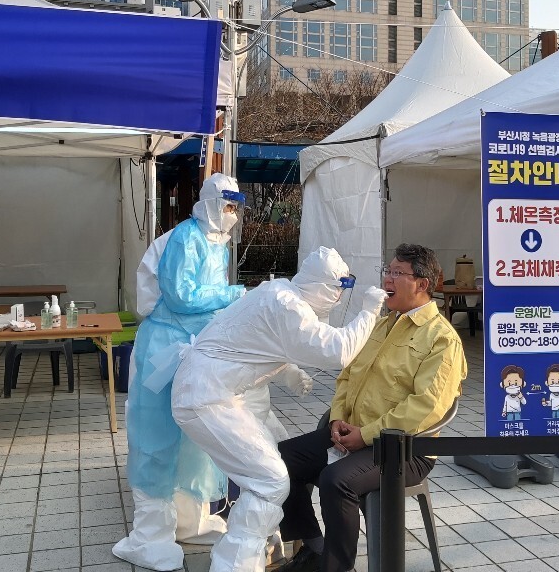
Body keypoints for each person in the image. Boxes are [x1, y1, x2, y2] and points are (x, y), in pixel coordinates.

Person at [172, 247, 389, 572]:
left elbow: (257, 341)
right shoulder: (289, 306)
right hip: (205, 397)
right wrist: (369, 311)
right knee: (271, 479)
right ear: (324, 287)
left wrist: (290, 373)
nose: (340, 299)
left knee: (268, 467)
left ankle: (245, 554)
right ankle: (235, 564)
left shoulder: (278, 292)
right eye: (339, 290)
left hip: (210, 391)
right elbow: (338, 350)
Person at [275, 243, 468, 572]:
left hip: (404, 449)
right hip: (350, 433)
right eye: (387, 271)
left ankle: (337, 567)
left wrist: (365, 435)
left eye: (397, 273)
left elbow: (426, 407)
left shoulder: (441, 339)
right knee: (280, 460)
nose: (387, 279)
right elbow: (347, 376)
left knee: (337, 480)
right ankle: (313, 548)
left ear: (422, 284)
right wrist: (336, 419)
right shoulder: (381, 324)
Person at [113, 173, 247, 571]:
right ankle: (148, 536)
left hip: (195, 347)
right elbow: (183, 296)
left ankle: (188, 520)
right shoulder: (184, 239)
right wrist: (237, 293)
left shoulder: (215, 243)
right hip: (164, 347)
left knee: (196, 433)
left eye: (235, 207)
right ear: (209, 202)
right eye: (227, 206)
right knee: (155, 435)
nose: (232, 214)